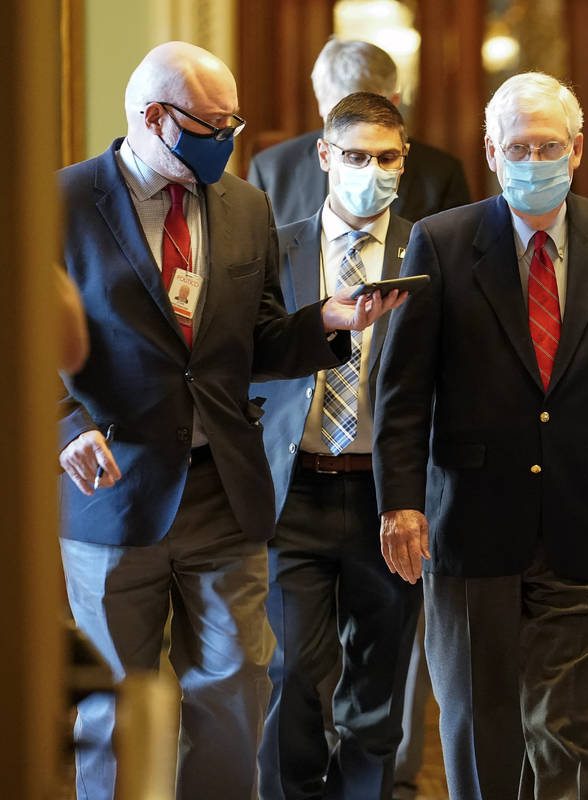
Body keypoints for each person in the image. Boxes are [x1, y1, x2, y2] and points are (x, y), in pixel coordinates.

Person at [55, 42, 402, 800]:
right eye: (210, 124)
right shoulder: (60, 202)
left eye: (233, 122)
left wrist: (329, 323)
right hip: (113, 491)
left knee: (237, 687)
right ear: (152, 117)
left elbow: (262, 338)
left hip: (223, 490)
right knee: (115, 705)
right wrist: (65, 427)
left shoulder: (245, 204)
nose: (228, 139)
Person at [372, 71, 588, 800]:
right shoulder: (442, 242)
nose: (535, 159)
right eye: (519, 146)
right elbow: (403, 389)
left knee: (566, 720)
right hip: (470, 518)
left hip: (584, 512)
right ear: (491, 151)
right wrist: (401, 503)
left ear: (577, 151)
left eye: (550, 145)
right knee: (481, 719)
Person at [253, 92, 422, 800]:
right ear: (325, 156)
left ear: (403, 160)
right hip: (295, 488)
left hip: (388, 494)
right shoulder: (272, 246)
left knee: (378, 692)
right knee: (293, 671)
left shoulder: (430, 248)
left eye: (386, 158)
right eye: (355, 156)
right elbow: (250, 355)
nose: (371, 171)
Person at [248, 37, 470, 227]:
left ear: (393, 103)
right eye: (339, 115)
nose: (351, 131)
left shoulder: (441, 175)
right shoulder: (271, 170)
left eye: (365, 113)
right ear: (319, 103)